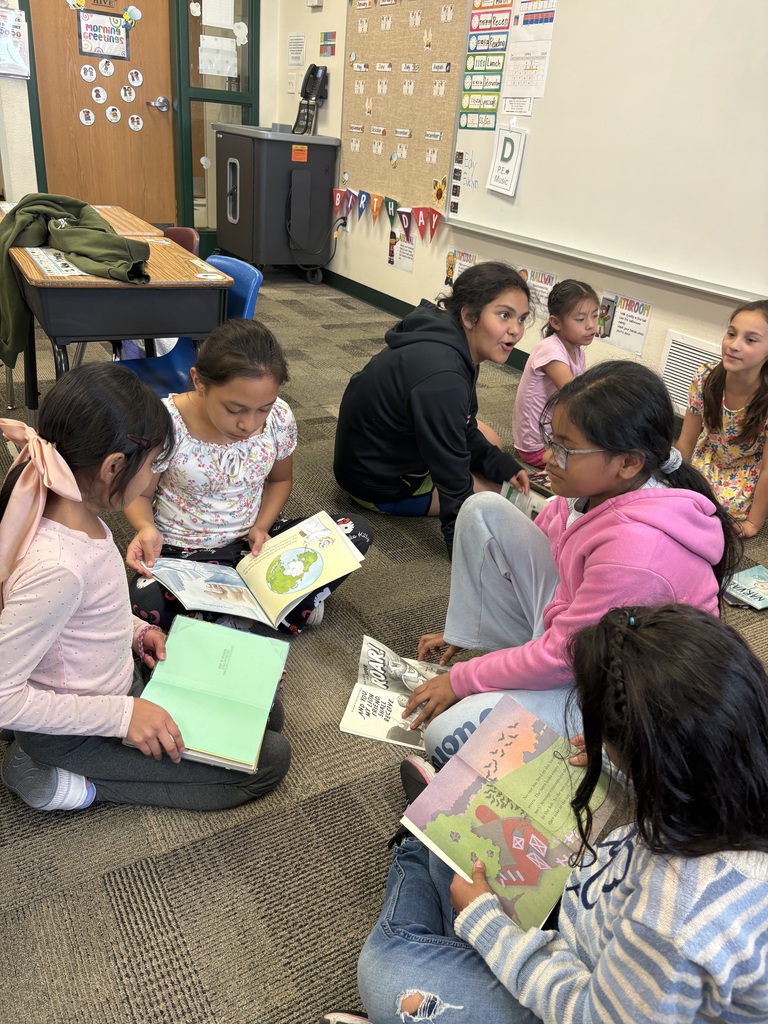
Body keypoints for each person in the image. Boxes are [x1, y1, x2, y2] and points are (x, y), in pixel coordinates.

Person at [343, 604, 768, 1024]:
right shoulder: (730, 777)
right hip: (596, 921)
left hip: (589, 989)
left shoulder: (677, 917)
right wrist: (620, 764)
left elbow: (592, 1013)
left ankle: (413, 848)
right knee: (458, 845)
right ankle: (424, 841)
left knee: (388, 971)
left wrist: (486, 924)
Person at [402, 360, 741, 767]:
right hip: (584, 635)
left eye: (566, 450)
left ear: (629, 462)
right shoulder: (588, 489)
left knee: (446, 737)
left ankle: (615, 763)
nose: (548, 457)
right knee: (482, 510)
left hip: (625, 686)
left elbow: (564, 656)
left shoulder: (637, 550)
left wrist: (463, 679)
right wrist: (478, 619)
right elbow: (545, 554)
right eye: (552, 440)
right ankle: (515, 672)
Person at [0, 363, 290, 811]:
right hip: (76, 734)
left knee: (265, 710)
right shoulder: (60, 565)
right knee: (268, 762)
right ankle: (65, 782)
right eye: (155, 465)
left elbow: (83, 613)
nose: (153, 477)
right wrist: (124, 715)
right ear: (114, 466)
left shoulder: (70, 506)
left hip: (115, 681)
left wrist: (136, 630)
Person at [125, 319, 372, 633]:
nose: (249, 424)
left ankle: (228, 618)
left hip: (253, 548)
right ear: (199, 382)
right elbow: (139, 494)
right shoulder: (166, 422)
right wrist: (145, 528)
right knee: (145, 607)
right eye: (234, 409)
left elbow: (280, 481)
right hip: (181, 552)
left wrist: (261, 526)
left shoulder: (279, 416)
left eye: (262, 409)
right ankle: (276, 610)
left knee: (354, 532)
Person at [333, 262, 531, 557]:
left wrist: (501, 464)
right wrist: (463, 545)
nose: (515, 330)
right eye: (504, 315)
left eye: (521, 318)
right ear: (469, 316)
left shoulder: (447, 336)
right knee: (493, 499)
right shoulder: (444, 376)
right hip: (376, 485)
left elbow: (462, 424)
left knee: (491, 444)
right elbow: (450, 473)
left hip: (374, 454)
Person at [677, 299, 768, 538]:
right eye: (731, 333)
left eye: (750, 340)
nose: (734, 345)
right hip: (708, 457)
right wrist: (671, 479)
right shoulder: (705, 378)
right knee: (682, 492)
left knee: (723, 510)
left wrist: (753, 524)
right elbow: (686, 440)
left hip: (743, 471)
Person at [512, 279, 599, 467]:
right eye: (580, 319)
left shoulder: (576, 352)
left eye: (595, 316)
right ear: (555, 322)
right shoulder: (550, 350)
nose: (591, 325)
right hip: (536, 444)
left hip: (554, 433)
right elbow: (574, 394)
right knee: (593, 464)